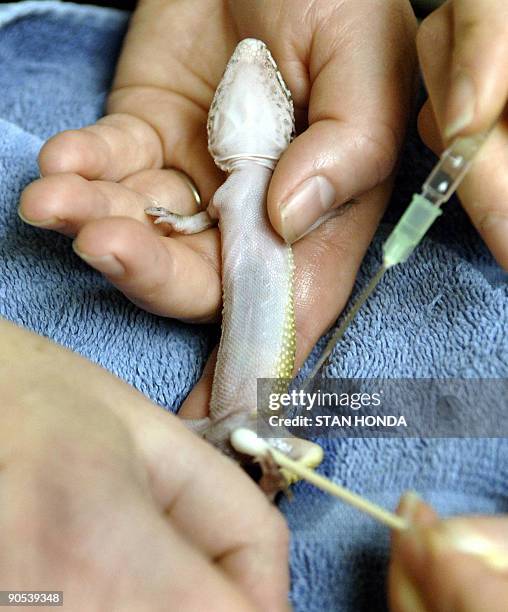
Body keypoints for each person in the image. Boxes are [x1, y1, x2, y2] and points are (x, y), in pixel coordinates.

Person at [10, 0, 508, 609]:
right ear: (216, 133)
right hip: (253, 418)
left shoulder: (265, 183)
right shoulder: (229, 191)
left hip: (246, 418)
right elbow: (200, 215)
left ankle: (268, 477)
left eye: (272, 88)